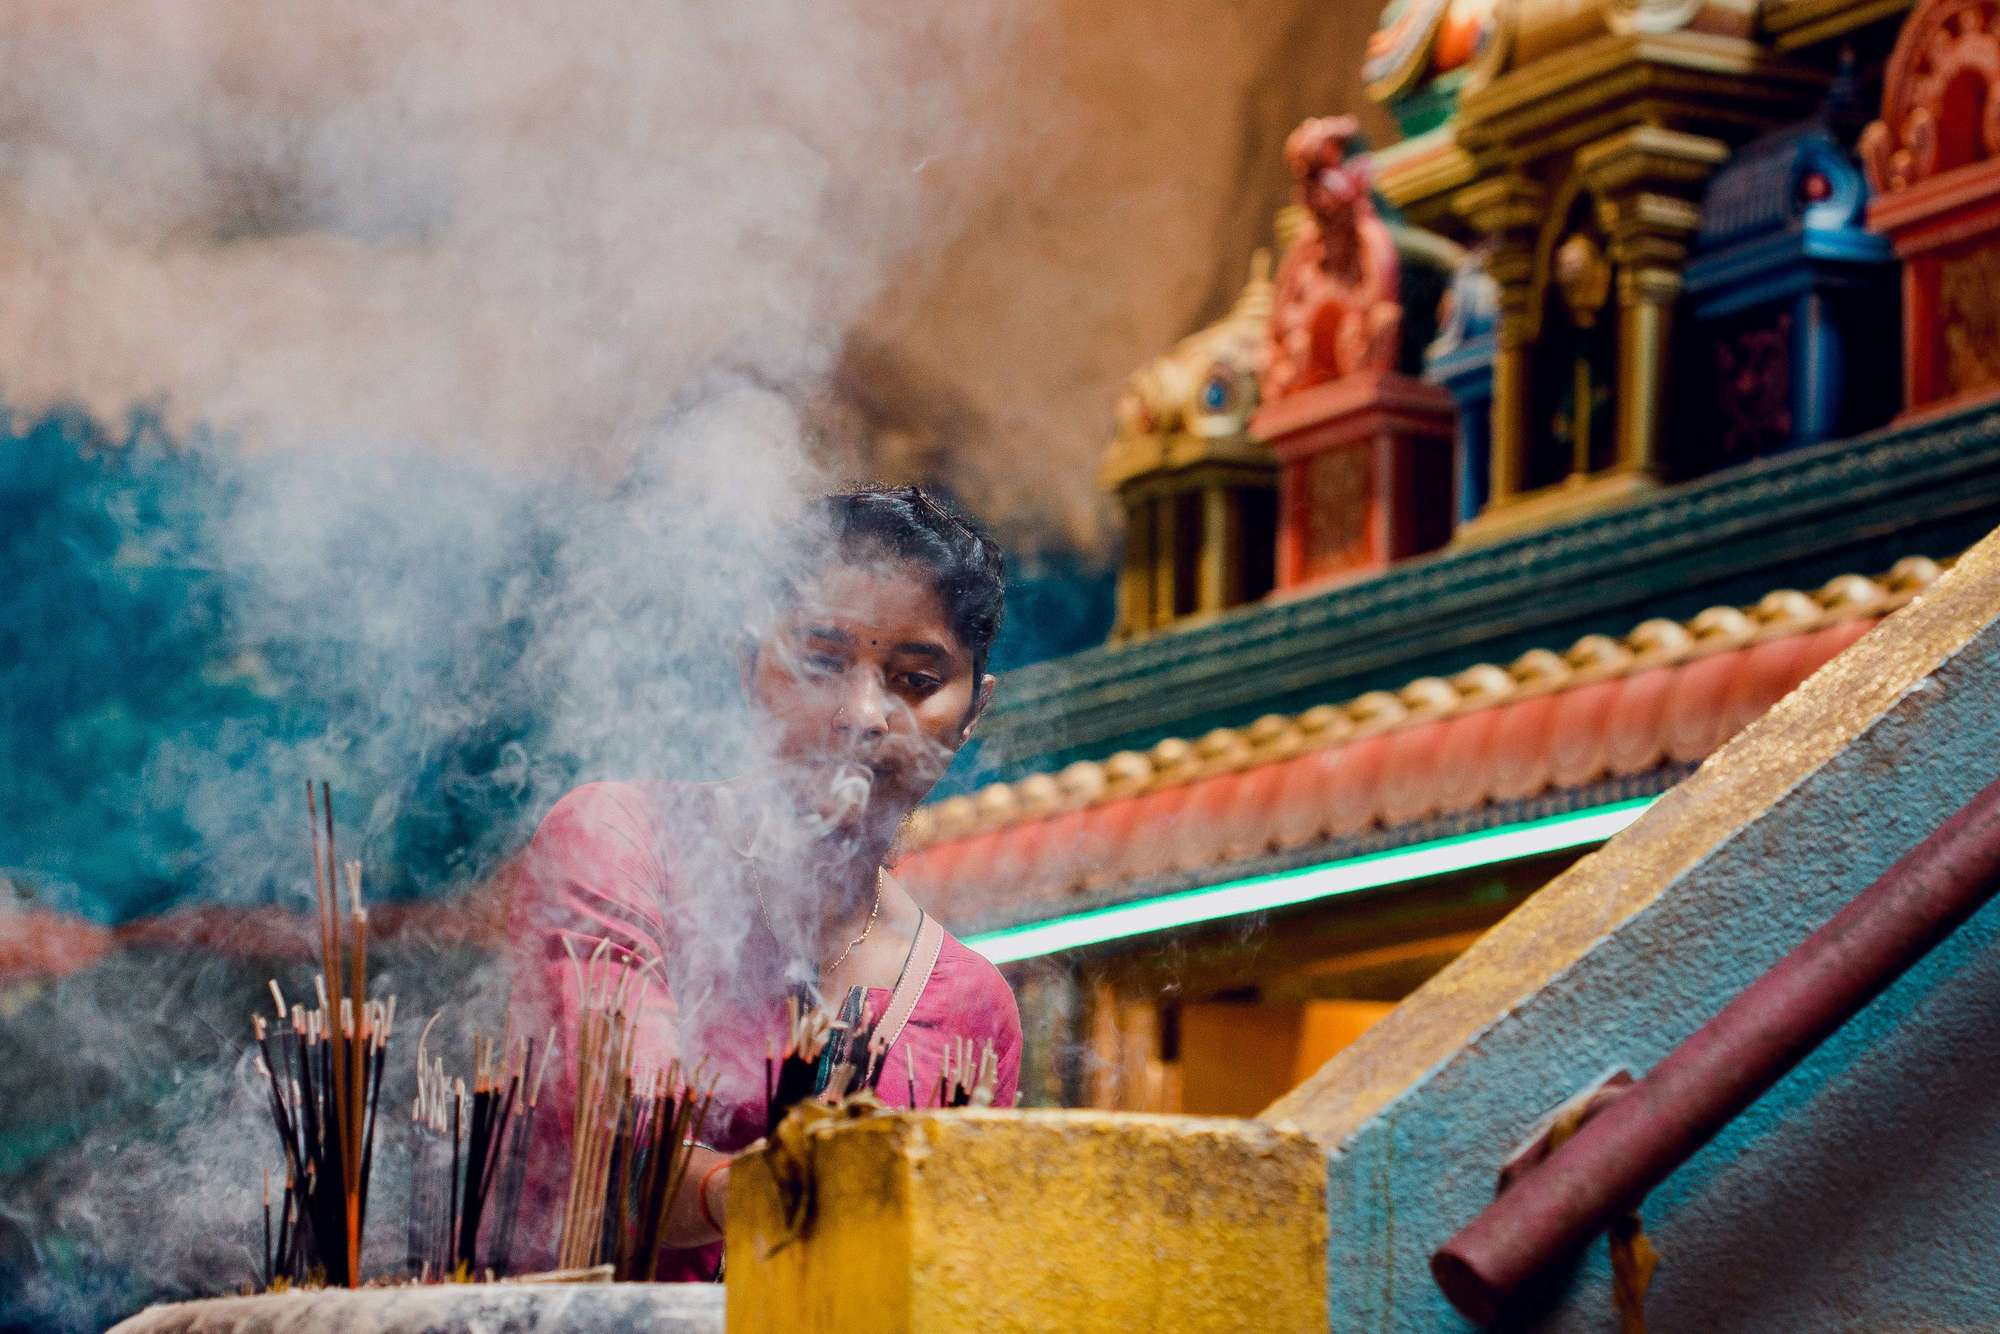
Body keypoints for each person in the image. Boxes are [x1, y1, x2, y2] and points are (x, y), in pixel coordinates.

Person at [506, 484, 1021, 1279]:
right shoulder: (621, 841)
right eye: (821, 661)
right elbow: (613, 1141)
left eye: (916, 680)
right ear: (751, 666)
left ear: (972, 712)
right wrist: (768, 1191)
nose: (863, 714)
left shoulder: (974, 1006)